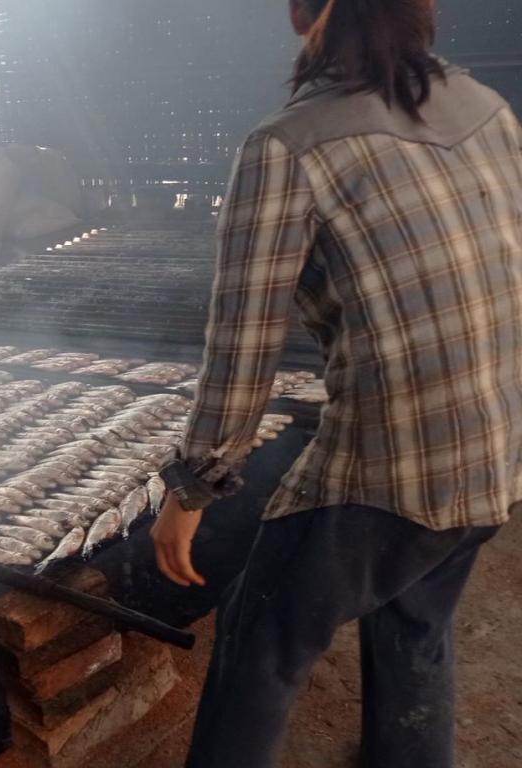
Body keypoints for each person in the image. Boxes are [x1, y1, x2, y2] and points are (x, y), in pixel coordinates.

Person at [149, 1, 521, 766]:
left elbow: (242, 345)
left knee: (261, 646)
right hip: (502, 447)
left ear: (307, 18)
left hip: (395, 470)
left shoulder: (289, 147)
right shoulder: (485, 108)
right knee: (415, 623)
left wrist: (190, 491)